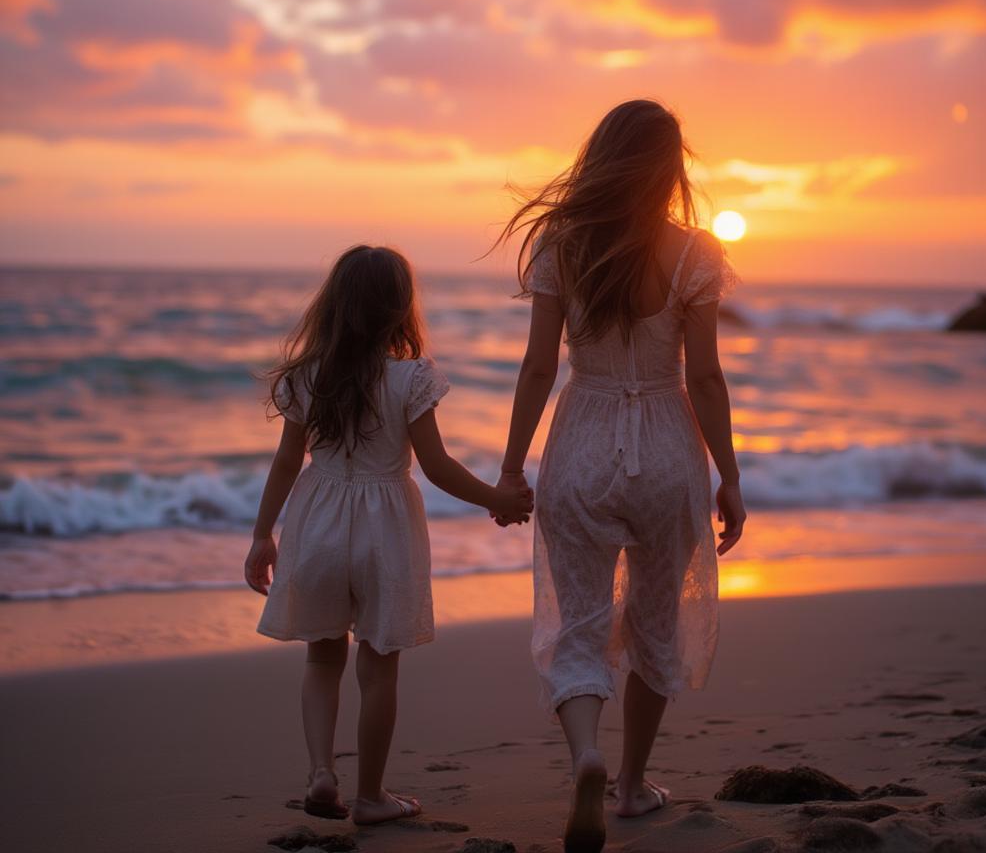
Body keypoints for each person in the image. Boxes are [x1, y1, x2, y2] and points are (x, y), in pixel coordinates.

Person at [492, 99, 747, 852]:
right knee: (655, 621)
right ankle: (632, 785)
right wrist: (728, 474)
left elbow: (540, 365)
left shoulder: (562, 246)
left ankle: (587, 757)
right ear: (670, 169)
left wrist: (511, 465)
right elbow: (704, 377)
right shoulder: (696, 252)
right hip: (667, 449)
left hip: (581, 445)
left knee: (579, 623)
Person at [244, 245, 532, 826]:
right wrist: (497, 499)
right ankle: (371, 795)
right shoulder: (411, 377)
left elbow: (283, 463)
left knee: (322, 660)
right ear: (401, 309)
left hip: (318, 520)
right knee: (378, 670)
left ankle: (322, 772)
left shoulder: (307, 376)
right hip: (387, 529)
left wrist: (261, 536)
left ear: (332, 306)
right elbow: (437, 465)